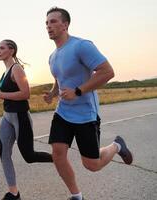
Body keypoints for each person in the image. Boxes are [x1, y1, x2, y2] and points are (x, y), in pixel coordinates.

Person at [43, 7, 133, 200]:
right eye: (46, 23)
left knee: (92, 165)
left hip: (85, 114)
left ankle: (117, 146)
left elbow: (107, 71)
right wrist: (52, 93)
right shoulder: (52, 56)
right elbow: (60, 79)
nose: (48, 26)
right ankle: (77, 196)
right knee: (58, 154)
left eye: (53, 21)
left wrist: (78, 91)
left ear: (65, 24)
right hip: (63, 112)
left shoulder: (82, 45)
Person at [0, 39, 53, 200]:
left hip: (20, 117)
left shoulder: (16, 68)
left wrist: (0, 94)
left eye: (1, 48)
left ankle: (58, 159)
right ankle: (13, 193)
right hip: (7, 117)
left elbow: (26, 94)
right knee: (4, 153)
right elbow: (10, 91)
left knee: (29, 156)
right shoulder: (5, 71)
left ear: (11, 50)